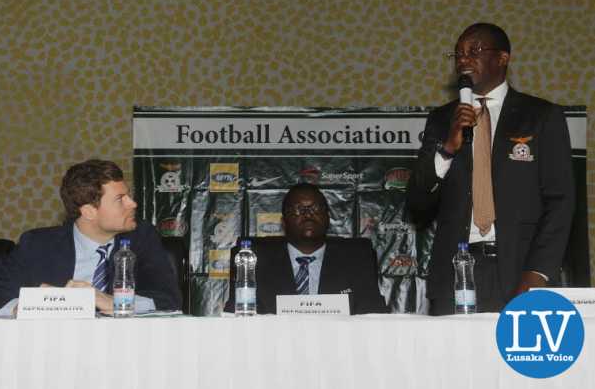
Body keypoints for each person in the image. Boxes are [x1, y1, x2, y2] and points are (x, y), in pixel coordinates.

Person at [407, 23, 574, 315]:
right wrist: (447, 148)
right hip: (455, 272)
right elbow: (417, 204)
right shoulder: (442, 119)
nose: (463, 60)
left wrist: (537, 273)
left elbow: (560, 202)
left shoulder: (542, 116)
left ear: (503, 58)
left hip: (519, 270)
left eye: (474, 51)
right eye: (458, 54)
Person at [0, 159, 181, 316]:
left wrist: (110, 301)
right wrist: (28, 306)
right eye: (120, 199)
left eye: (128, 196)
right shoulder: (38, 245)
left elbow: (168, 300)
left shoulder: (141, 237)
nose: (133, 204)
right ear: (89, 211)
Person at [225, 183, 387, 314]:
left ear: (328, 218)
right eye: (298, 209)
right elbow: (238, 313)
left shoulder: (356, 258)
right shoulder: (254, 260)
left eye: (316, 209)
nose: (308, 215)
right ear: (284, 221)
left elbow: (374, 312)